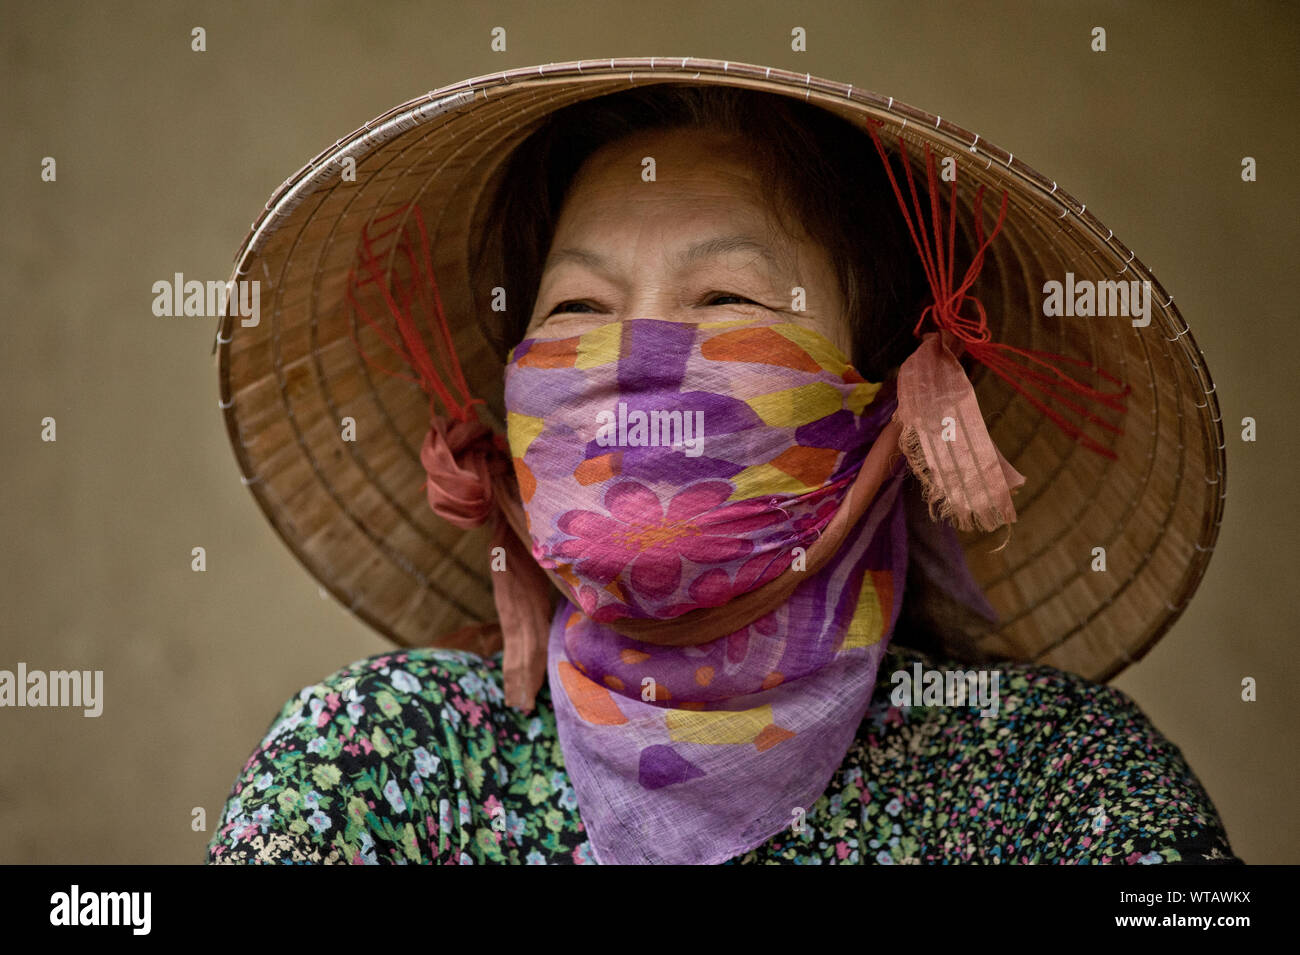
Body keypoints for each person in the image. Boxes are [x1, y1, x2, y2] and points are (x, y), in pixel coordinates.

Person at [206, 65, 1240, 865]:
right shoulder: (377, 761)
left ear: (890, 402)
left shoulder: (1054, 784)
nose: (635, 367)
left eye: (729, 302)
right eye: (575, 309)